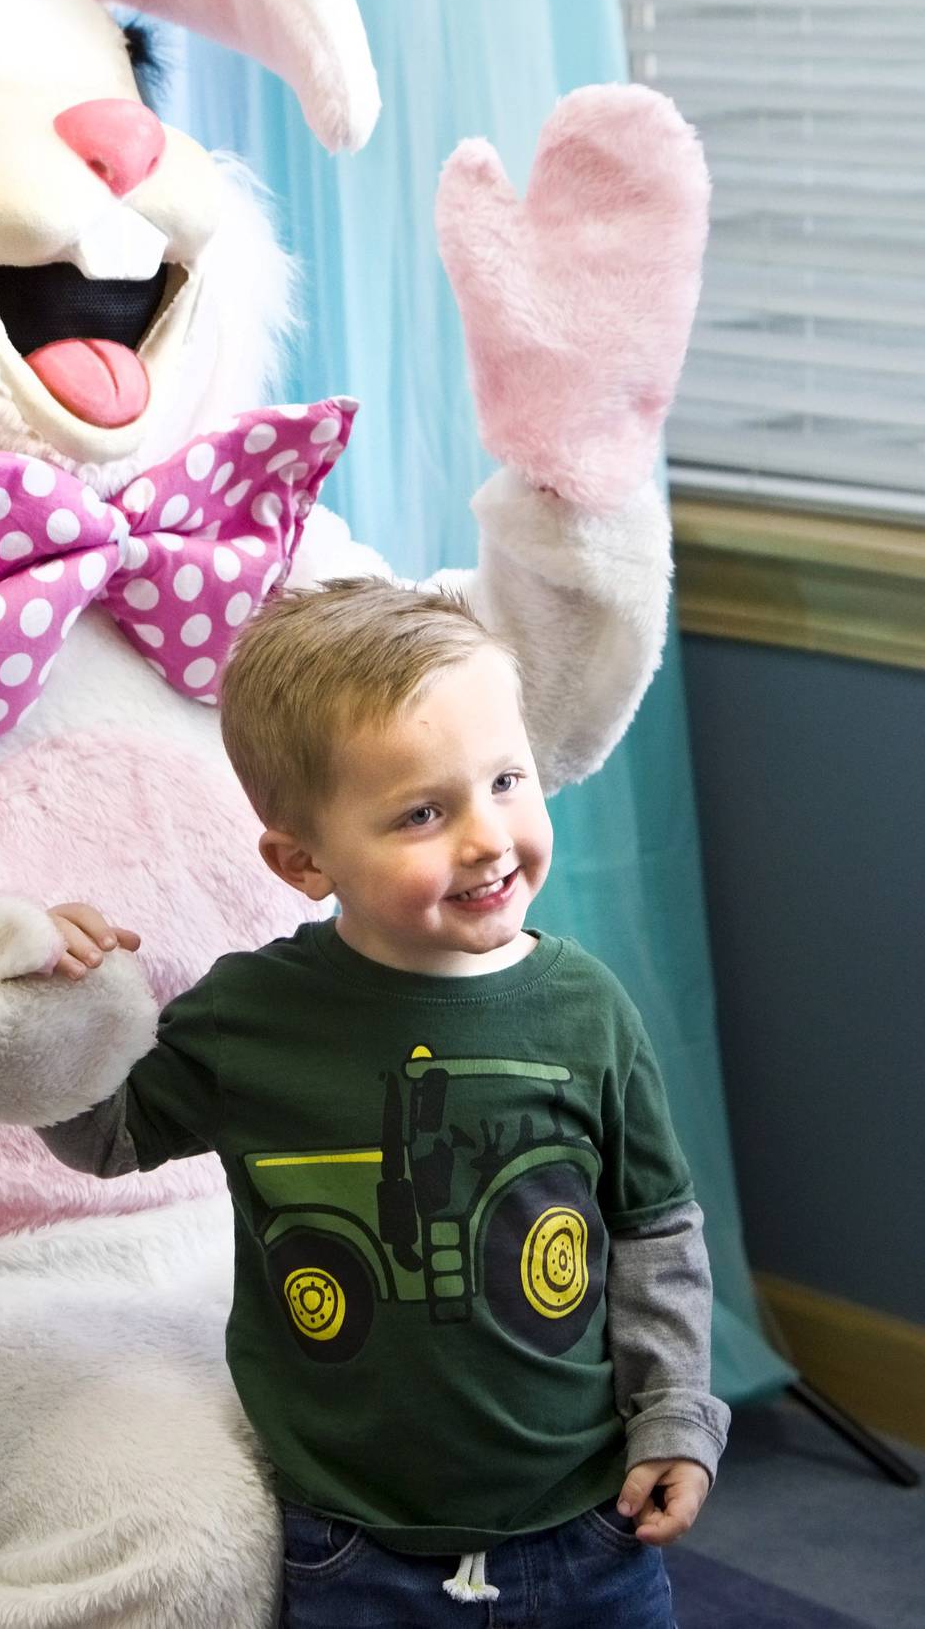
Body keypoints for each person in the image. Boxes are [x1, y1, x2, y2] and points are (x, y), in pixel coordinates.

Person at [38, 577, 728, 1628]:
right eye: (422, 811)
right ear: (303, 859)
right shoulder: (251, 1017)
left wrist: (673, 1409)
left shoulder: (585, 1008)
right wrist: (58, 1013)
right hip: (360, 1547)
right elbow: (103, 1135)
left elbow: (654, 1230)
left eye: (507, 779)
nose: (487, 837)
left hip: (590, 1523)